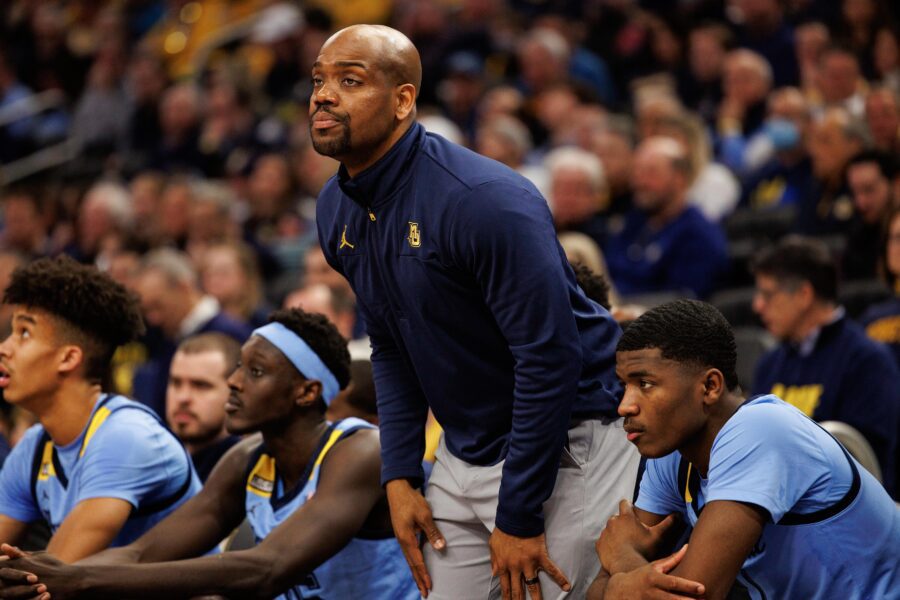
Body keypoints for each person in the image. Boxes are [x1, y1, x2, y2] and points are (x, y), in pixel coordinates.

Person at [312, 24, 638, 600]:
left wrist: (518, 513)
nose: (323, 95)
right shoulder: (335, 207)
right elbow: (390, 343)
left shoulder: (482, 200)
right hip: (464, 449)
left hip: (566, 441)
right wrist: (401, 474)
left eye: (350, 80)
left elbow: (549, 357)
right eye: (319, 80)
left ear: (403, 100)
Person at [0, 309, 418, 599]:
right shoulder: (247, 460)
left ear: (306, 393)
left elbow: (266, 569)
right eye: (238, 367)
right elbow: (142, 553)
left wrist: (81, 581)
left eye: (255, 372)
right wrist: (41, 576)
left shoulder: (360, 451)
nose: (234, 383)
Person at [587, 299, 900, 599]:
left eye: (645, 384)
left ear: (710, 386)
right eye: (624, 384)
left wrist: (623, 563)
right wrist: (624, 581)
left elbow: (690, 593)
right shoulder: (672, 452)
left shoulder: (762, 430)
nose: (625, 406)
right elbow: (595, 591)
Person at [0, 256, 200, 563]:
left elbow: (54, 580)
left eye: (24, 334)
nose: (4, 347)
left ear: (68, 358)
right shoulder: (35, 446)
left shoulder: (126, 437)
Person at [750, 237, 899, 497]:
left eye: (767, 294)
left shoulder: (867, 360)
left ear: (804, 295)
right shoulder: (769, 364)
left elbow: (864, 459)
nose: (757, 305)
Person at [604, 136, 729, 299]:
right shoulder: (634, 221)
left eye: (651, 173)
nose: (639, 182)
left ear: (679, 179)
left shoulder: (699, 235)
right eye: (637, 172)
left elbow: (683, 302)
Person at [165, 332, 241, 482]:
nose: (183, 397)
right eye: (176, 383)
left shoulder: (244, 473)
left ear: (235, 392)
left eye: (200, 385)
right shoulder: (156, 463)